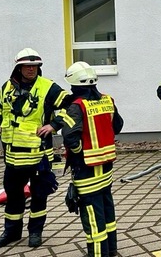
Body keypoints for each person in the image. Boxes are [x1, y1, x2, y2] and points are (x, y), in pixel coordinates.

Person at [0, 48, 69, 248]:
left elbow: (70, 106)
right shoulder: (8, 87)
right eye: (27, 66)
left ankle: (35, 232)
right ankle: (12, 232)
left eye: (35, 66)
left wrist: (54, 125)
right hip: (12, 156)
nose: (31, 70)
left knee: (39, 195)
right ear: (18, 67)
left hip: (39, 155)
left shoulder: (48, 87)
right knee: (13, 195)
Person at [52, 61, 124, 257]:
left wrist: (78, 152)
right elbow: (117, 126)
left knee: (93, 218)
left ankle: (98, 254)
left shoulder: (76, 107)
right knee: (107, 212)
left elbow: (70, 136)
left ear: (74, 85)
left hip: (86, 169)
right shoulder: (107, 100)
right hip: (106, 166)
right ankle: (111, 251)